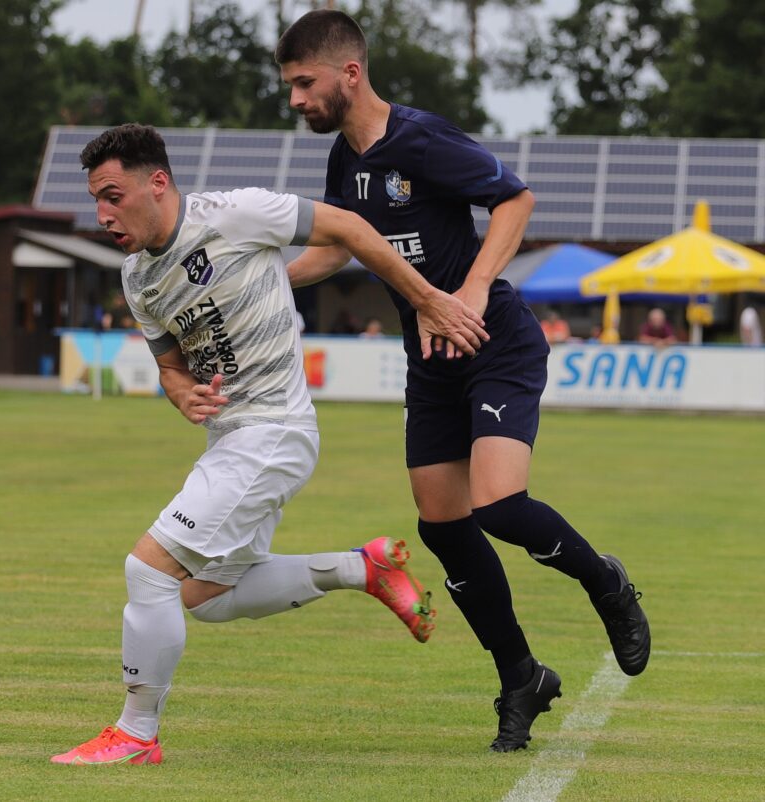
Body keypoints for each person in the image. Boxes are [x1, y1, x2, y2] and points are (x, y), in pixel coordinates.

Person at [52, 123, 491, 767]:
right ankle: (361, 568)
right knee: (204, 597)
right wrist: (182, 394)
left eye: (113, 196)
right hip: (231, 440)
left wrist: (426, 299)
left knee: (148, 571)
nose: (103, 215)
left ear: (158, 182)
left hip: (272, 432)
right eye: (97, 200)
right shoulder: (138, 277)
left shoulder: (236, 213)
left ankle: (136, 734)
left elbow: (348, 228)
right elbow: (171, 367)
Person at [275, 10, 649, 753]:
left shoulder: (421, 138)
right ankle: (521, 677)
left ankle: (605, 582)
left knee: (500, 506)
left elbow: (516, 200)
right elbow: (342, 247)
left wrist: (472, 291)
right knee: (442, 525)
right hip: (430, 360)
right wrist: (264, 284)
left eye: (304, 83)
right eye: (289, 86)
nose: (296, 100)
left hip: (493, 340)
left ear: (350, 73)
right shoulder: (344, 161)